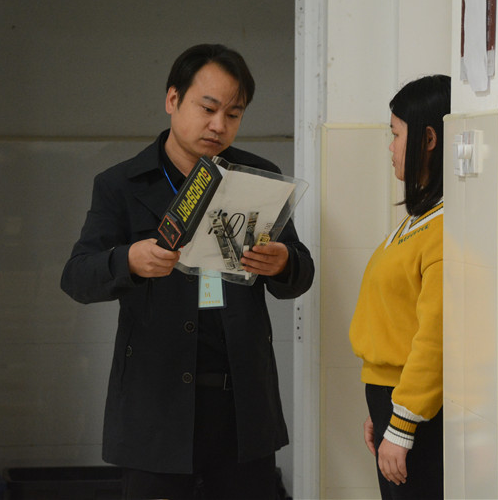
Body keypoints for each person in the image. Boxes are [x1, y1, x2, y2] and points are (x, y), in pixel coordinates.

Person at [60, 44, 314, 500]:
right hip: (156, 410)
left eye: (233, 114)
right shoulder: (121, 184)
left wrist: (284, 262)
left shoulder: (257, 176)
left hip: (241, 409)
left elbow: (300, 272)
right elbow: (77, 277)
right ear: (172, 99)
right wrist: (128, 260)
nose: (219, 126)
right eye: (208, 108)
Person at [348, 75, 450, 499]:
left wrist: (404, 423)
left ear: (429, 139)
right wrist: (385, 412)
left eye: (395, 134)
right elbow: (397, 320)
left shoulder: (443, 229)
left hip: (416, 410)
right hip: (393, 398)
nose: (390, 147)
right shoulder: (418, 220)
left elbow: (435, 337)